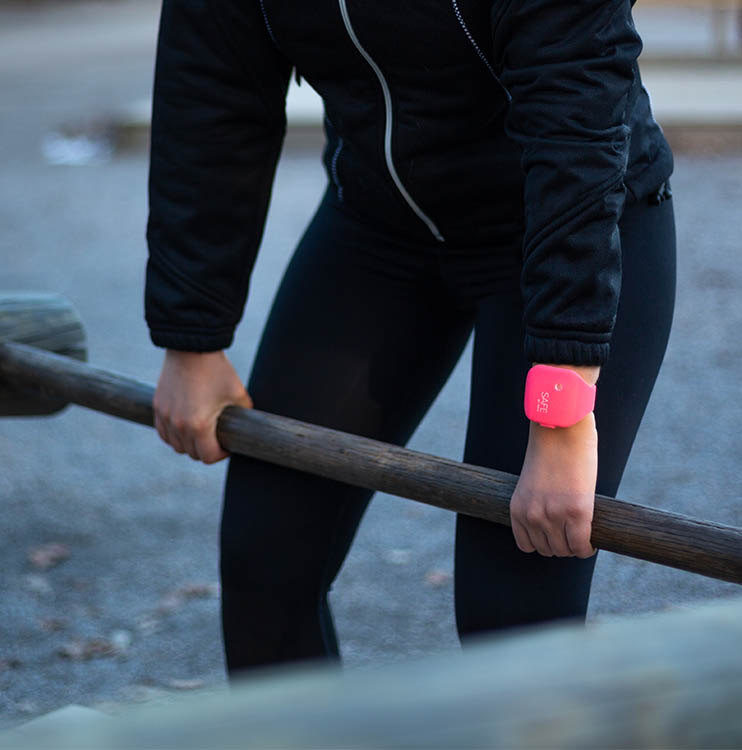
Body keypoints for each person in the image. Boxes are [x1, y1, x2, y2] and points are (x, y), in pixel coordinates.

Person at [144, 0, 676, 677]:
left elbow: (576, 130)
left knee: (512, 614)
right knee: (265, 565)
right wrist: (192, 337)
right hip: (379, 229)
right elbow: (210, 92)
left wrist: (563, 413)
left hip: (566, 226)